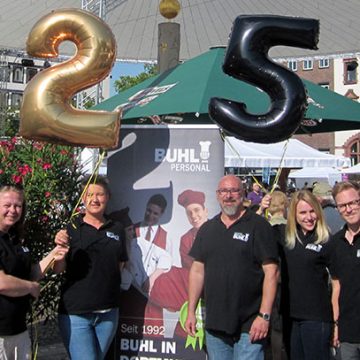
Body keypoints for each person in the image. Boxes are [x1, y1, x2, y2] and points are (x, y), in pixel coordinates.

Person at [185, 175, 279, 359]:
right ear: (217, 195)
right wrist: (190, 312)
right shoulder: (207, 229)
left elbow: (272, 273)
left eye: (234, 190)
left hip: (250, 323)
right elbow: (197, 271)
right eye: (224, 191)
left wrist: (264, 316)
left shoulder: (259, 226)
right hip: (216, 324)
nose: (229, 196)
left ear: (243, 193)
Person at [54, 176, 128, 360]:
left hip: (108, 313)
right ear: (83, 198)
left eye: (100, 194)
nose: (95, 199)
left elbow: (120, 263)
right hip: (76, 314)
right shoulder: (71, 228)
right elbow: (58, 269)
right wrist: (59, 253)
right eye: (89, 195)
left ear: (108, 197)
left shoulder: (117, 228)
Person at [0, 184, 67, 359]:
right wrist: (30, 287)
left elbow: (31, 274)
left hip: (19, 330)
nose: (13, 211)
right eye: (7, 205)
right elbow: (2, 283)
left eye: (18, 206)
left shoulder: (14, 239)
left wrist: (54, 254)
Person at [274, 190, 333, 360]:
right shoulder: (284, 235)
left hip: (316, 318)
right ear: (294, 214)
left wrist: (336, 321)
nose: (308, 217)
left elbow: (337, 282)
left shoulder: (326, 240)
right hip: (290, 316)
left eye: (312, 211)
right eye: (303, 212)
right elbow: (256, 230)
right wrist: (261, 209)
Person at [330, 181, 360, 360]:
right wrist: (335, 325)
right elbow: (336, 287)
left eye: (353, 203)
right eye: (342, 205)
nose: (348, 209)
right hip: (348, 332)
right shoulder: (335, 243)